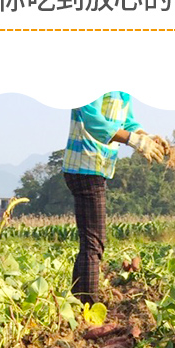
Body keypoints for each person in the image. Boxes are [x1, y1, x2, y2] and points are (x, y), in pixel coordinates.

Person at [62, 92, 167, 305]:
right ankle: (88, 306)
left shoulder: (123, 90)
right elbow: (93, 122)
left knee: (91, 243)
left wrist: (144, 136)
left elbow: (127, 121)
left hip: (98, 167)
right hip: (85, 165)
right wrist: (134, 140)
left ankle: (78, 302)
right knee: (94, 244)